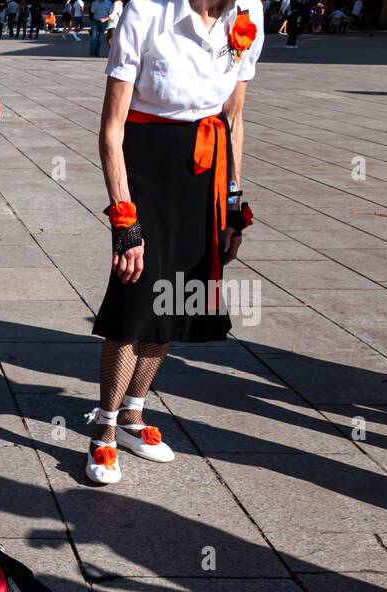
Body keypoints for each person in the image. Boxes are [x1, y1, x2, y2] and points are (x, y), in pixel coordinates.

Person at [87, 0, 263, 484]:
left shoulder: (249, 15)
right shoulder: (145, 11)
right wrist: (124, 221)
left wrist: (232, 207)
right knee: (135, 298)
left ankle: (133, 417)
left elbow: (234, 119)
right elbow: (111, 128)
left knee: (178, 298)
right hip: (147, 167)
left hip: (206, 174)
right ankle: (102, 430)